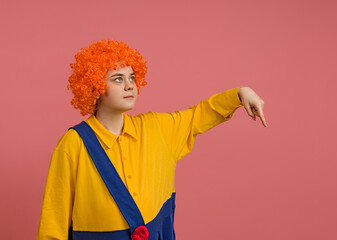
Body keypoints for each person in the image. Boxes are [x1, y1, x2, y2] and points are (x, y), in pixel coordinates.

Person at [36, 39, 267, 240]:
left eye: (132, 77)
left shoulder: (157, 128)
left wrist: (239, 94)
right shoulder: (72, 144)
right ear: (95, 87)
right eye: (118, 79)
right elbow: (53, 225)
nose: (130, 86)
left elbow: (199, 115)